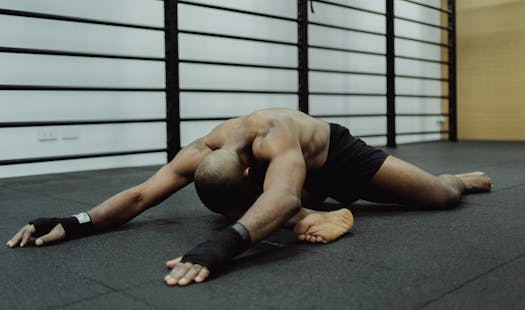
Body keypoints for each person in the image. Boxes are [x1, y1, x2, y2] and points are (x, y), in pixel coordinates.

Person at [6, 108, 492, 287]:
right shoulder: (201, 151)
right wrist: (74, 221)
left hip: (335, 159)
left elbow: (278, 196)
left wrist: (220, 248)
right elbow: (138, 196)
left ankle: (457, 177)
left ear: (247, 167)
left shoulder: (274, 138)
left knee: (439, 196)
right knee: (261, 205)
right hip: (282, 184)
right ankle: (314, 216)